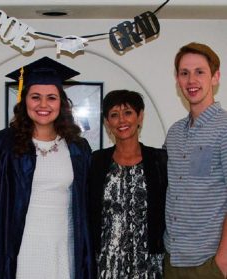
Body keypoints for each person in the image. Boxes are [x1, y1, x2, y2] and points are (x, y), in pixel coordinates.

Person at [0, 56, 93, 279]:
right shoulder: (2, 144)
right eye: (35, 97)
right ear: (25, 100)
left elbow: (84, 204)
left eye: (51, 98)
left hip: (63, 246)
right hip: (20, 249)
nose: (43, 105)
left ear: (61, 103)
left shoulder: (77, 148)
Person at [88, 89, 168, 278]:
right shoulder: (96, 162)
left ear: (140, 117)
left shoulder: (160, 160)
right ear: (107, 123)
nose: (122, 120)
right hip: (107, 262)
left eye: (128, 113)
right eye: (114, 115)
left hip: (149, 263)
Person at [164, 42, 227, 279]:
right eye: (184, 73)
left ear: (215, 77)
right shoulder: (174, 132)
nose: (191, 80)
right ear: (178, 80)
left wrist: (222, 260)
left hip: (209, 262)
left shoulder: (224, 128)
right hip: (172, 257)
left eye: (199, 72)